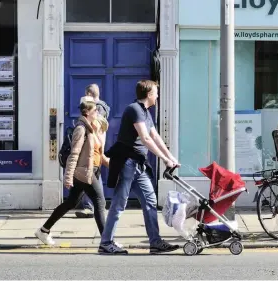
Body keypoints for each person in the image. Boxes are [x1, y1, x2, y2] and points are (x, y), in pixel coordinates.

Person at [98, 80, 179, 255]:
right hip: (128, 162)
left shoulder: (146, 112)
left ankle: (155, 242)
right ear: (149, 93)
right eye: (156, 92)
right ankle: (106, 243)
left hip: (139, 165)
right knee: (119, 204)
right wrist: (164, 159)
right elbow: (145, 138)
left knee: (150, 202)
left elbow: (156, 137)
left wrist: (171, 158)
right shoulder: (134, 109)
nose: (157, 95)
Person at [35, 101, 110, 246]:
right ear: (87, 112)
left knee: (71, 202)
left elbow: (97, 153)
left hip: (90, 170)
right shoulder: (81, 129)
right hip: (84, 172)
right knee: (100, 202)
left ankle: (43, 231)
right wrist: (68, 177)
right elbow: (74, 154)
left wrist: (111, 164)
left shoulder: (90, 129)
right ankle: (107, 241)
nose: (97, 113)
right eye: (95, 111)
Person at [75, 84, 111, 219]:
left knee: (92, 174)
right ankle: (94, 205)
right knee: (93, 174)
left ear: (89, 94)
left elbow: (94, 127)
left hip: (92, 147)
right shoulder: (102, 107)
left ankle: (92, 206)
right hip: (96, 147)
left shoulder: (97, 109)